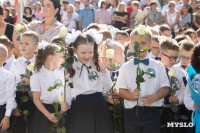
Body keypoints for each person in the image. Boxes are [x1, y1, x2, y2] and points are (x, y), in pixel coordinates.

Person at [115, 26, 169, 133]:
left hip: (152, 112)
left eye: (143, 43)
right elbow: (120, 90)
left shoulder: (158, 66)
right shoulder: (126, 67)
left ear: (150, 45)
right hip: (131, 113)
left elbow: (165, 88)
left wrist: (155, 96)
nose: (139, 46)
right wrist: (131, 96)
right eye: (135, 42)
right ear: (130, 44)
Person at [64, 29, 113, 133]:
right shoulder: (70, 66)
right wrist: (67, 103)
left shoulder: (98, 64)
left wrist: (103, 71)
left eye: (90, 52)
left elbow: (108, 86)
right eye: (83, 52)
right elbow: (68, 89)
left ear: (94, 50)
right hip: (79, 105)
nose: (87, 56)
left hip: (97, 103)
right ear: (75, 50)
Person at [29, 42, 73, 133]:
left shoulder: (61, 74)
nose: (63, 60)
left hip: (58, 112)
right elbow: (36, 99)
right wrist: (49, 115)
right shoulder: (37, 76)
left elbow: (63, 94)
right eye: (61, 56)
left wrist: (61, 110)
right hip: (43, 113)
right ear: (51, 57)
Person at [9, 31, 39, 133]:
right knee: (18, 128)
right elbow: (11, 85)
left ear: (35, 47)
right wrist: (13, 105)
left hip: (36, 100)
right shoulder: (15, 64)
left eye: (27, 43)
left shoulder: (40, 64)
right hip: (19, 99)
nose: (23, 46)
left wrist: (32, 83)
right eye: (21, 43)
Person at [160, 39, 189, 133]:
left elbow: (185, 90)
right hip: (158, 111)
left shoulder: (179, 71)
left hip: (175, 111)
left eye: (176, 58)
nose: (174, 61)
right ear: (161, 55)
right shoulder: (154, 71)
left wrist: (179, 99)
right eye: (171, 57)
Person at [0, 44, 16, 133]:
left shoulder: (8, 76)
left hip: (2, 111)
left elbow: (11, 97)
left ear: (1, 59)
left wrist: (7, 116)